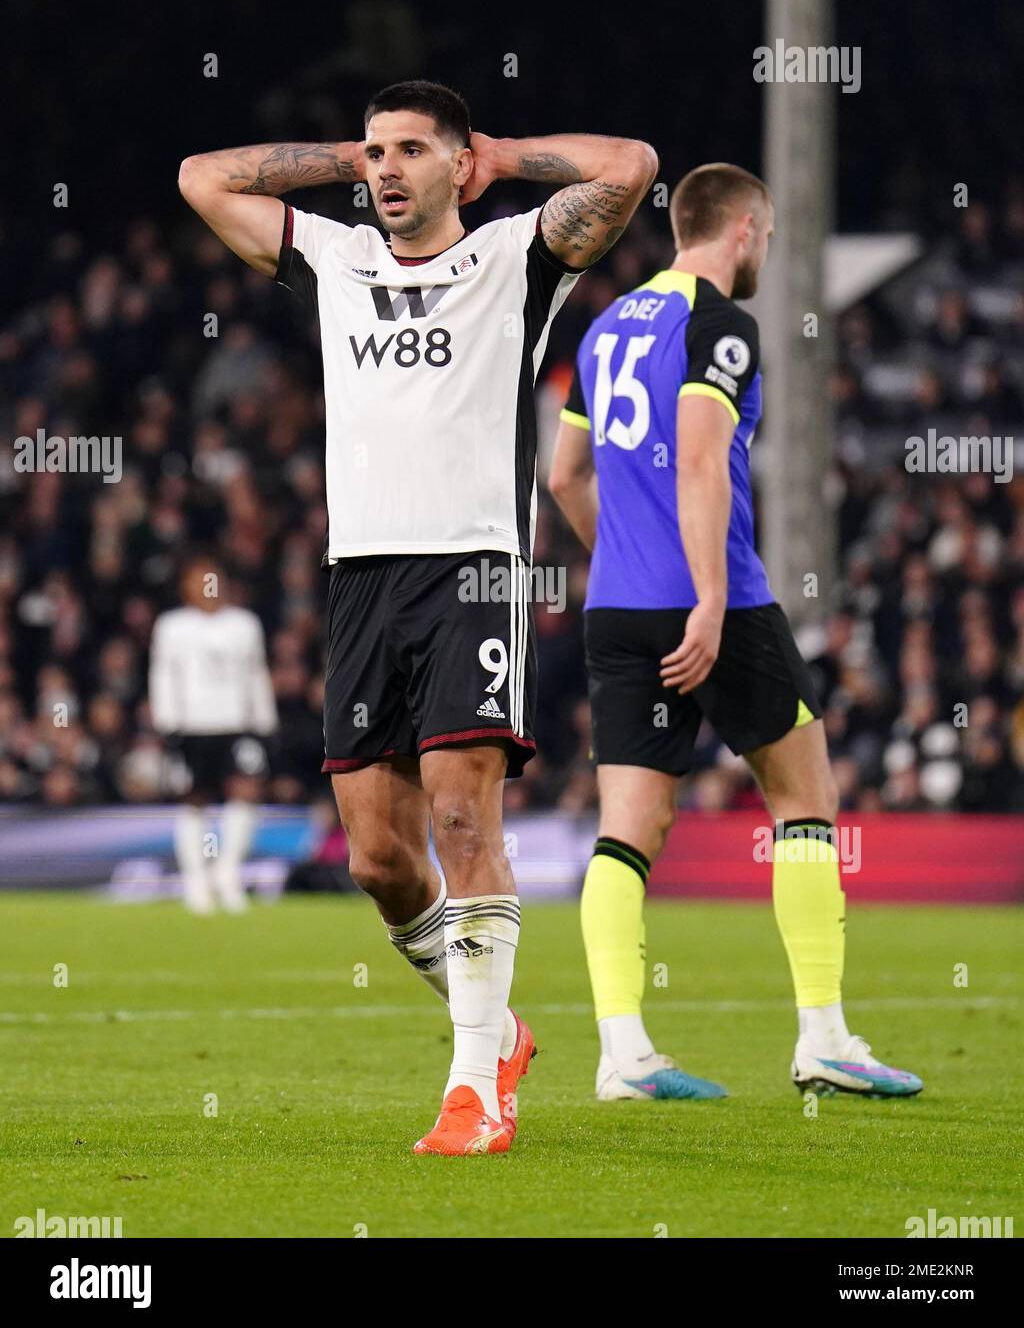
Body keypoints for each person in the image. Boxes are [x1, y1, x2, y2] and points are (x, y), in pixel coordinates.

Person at [178, 80, 657, 1153]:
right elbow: (200, 178)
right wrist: (346, 160)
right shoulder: (333, 257)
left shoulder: (514, 257)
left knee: (461, 820)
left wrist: (504, 156)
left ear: (459, 163)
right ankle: (499, 1035)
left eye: (410, 150)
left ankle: (474, 1090)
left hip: (473, 568)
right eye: (376, 151)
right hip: (360, 578)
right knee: (379, 862)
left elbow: (629, 163)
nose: (388, 168)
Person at [549, 163, 922, 1101]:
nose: (767, 252)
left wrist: (628, 562)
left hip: (618, 607)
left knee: (628, 828)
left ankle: (623, 1054)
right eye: (770, 236)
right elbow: (702, 461)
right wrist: (708, 598)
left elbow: (564, 477)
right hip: (718, 601)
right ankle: (824, 1038)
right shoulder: (718, 325)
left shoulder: (605, 325)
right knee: (804, 796)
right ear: (745, 228)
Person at [149, 555, 277, 914]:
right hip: (193, 726)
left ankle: (227, 871)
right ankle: (196, 880)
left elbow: (256, 672)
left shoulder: (244, 624)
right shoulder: (173, 626)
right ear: (185, 586)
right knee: (195, 800)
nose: (207, 586)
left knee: (246, 792)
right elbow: (163, 675)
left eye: (213, 578)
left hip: (237, 724)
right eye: (199, 579)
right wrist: (167, 722)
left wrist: (264, 719)